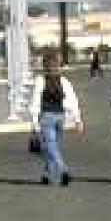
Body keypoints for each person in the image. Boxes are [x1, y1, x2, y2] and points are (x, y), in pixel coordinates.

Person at [27, 48, 82, 185]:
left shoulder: (40, 80)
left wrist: (34, 123)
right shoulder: (64, 81)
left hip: (46, 117)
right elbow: (72, 100)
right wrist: (77, 119)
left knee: (51, 147)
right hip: (60, 116)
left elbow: (35, 103)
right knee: (54, 146)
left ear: (44, 66)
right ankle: (47, 176)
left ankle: (64, 170)